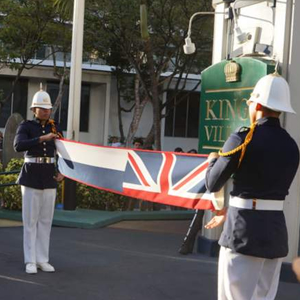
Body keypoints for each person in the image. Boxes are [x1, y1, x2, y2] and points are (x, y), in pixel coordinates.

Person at [204, 72, 299, 300]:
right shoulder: (291, 145)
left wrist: (212, 160)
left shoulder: (242, 138)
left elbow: (212, 182)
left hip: (243, 232)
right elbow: (265, 190)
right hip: (275, 234)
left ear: (256, 104)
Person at [14, 86, 64, 275]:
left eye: (48, 108)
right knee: (30, 221)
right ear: (34, 109)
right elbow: (18, 145)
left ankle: (42, 259)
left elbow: (63, 151)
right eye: (42, 108)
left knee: (45, 221)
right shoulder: (26, 126)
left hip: (49, 177)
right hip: (31, 176)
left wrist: (62, 171)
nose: (46, 111)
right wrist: (41, 138)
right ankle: (30, 260)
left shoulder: (55, 126)